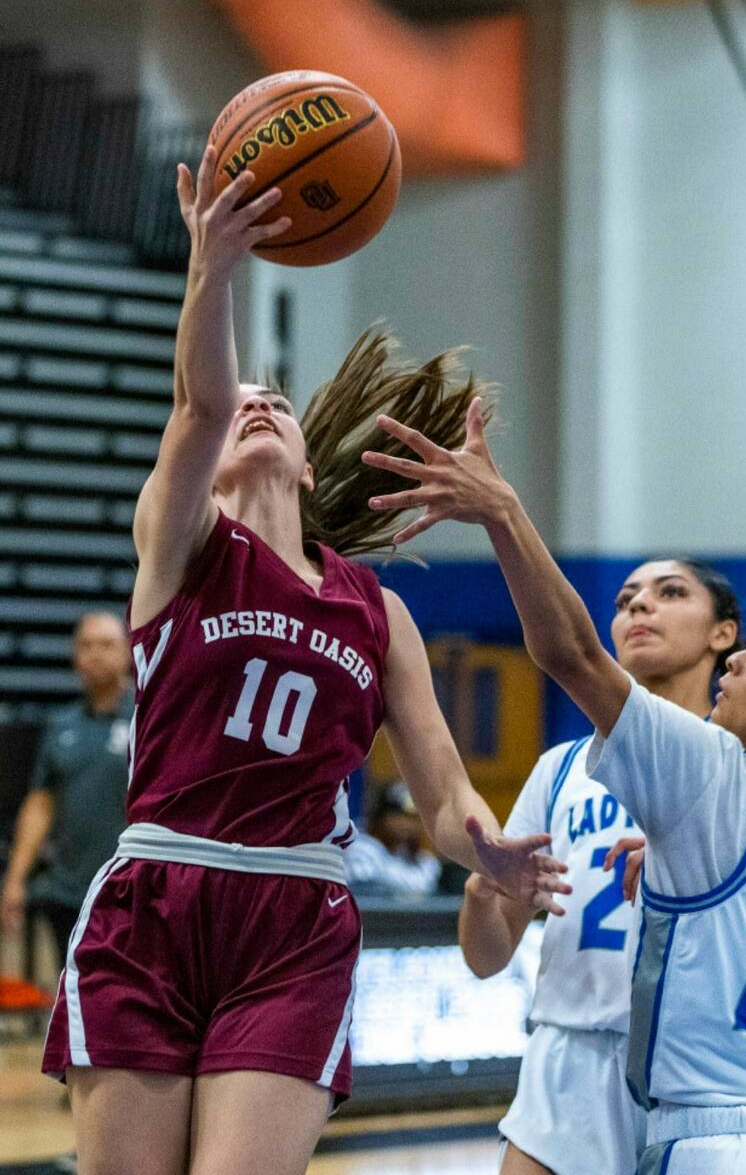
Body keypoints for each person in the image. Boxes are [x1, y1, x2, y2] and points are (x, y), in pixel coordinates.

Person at [39, 150, 570, 1175]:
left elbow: (445, 784)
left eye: (272, 397)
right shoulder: (183, 544)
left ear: (309, 458)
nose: (254, 402)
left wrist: (490, 852)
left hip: (296, 913)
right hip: (157, 892)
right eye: (236, 400)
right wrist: (215, 266)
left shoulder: (377, 609)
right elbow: (196, 404)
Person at [362, 403, 746, 1175]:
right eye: (628, 594)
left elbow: (570, 653)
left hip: (708, 1118)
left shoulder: (710, 774)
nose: (638, 607)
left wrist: (502, 511)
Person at [459, 559, 741, 1175]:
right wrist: (482, 893)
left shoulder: (743, 767)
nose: (640, 607)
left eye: (670, 593)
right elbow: (485, 959)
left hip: (696, 1064)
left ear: (723, 633)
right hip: (567, 1055)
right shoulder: (559, 768)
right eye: (625, 599)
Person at [1, 613, 133, 966]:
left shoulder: (146, 718)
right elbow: (41, 803)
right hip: (69, 891)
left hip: (130, 891)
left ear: (127, 653)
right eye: (86, 646)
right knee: (71, 990)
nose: (95, 654)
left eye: (106, 645)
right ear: (74, 657)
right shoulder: (61, 724)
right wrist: (15, 879)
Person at [346, 779, 441, 896]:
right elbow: (364, 892)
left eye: (412, 818)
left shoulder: (426, 862)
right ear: (380, 818)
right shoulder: (362, 848)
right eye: (398, 816)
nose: (406, 824)